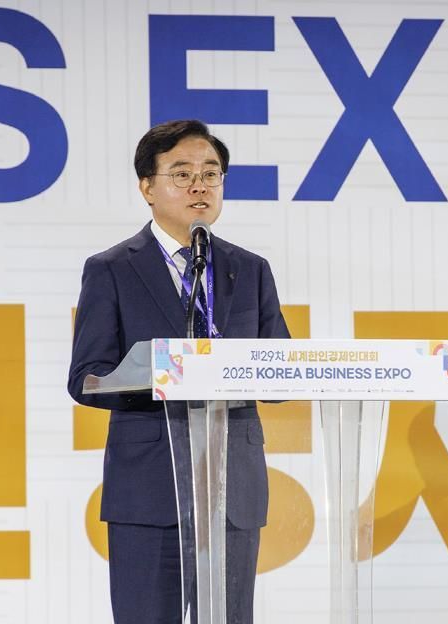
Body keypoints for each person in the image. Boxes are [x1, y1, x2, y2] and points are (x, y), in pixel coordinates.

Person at [68, 119, 290, 623]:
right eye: (182, 174)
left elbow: (279, 370)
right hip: (150, 489)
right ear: (147, 187)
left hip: (232, 486)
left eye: (211, 174)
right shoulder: (112, 269)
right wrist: (164, 376)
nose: (199, 186)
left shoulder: (249, 269)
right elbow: (87, 377)